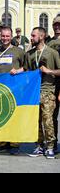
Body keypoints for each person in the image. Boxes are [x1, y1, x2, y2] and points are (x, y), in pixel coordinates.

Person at [25, 27, 60, 160]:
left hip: (48, 90)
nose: (31, 38)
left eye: (34, 36)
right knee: (36, 121)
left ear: (42, 36)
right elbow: (26, 71)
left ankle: (50, 146)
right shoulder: (30, 54)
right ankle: (39, 146)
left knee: (48, 120)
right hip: (34, 92)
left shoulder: (52, 53)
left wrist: (49, 71)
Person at [47, 16, 60, 151]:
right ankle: (53, 143)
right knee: (52, 115)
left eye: (59, 25)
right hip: (53, 84)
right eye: (55, 24)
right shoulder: (49, 42)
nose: (57, 27)